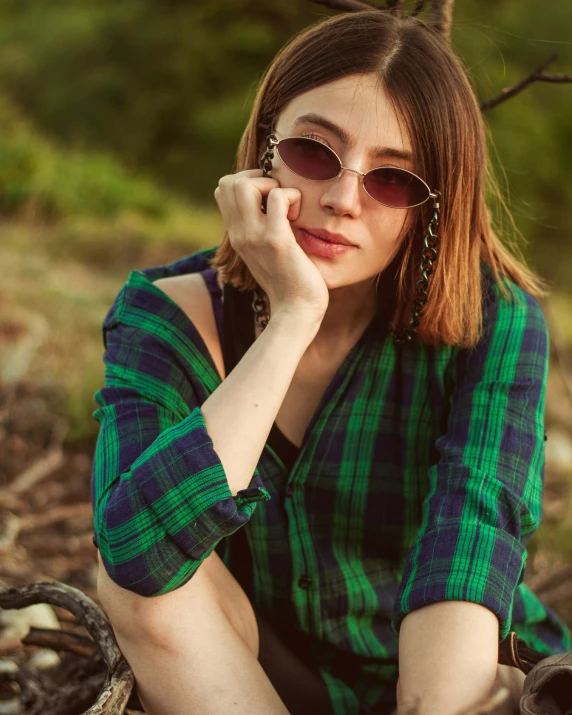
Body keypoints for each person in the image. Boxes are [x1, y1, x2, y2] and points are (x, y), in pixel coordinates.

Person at [91, 9, 571, 715]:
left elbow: (471, 532)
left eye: (394, 179)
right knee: (137, 581)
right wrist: (291, 318)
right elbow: (135, 551)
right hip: (261, 673)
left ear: (429, 208)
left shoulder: (496, 319)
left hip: (454, 673)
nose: (343, 199)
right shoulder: (163, 317)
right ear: (265, 152)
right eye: (316, 152)